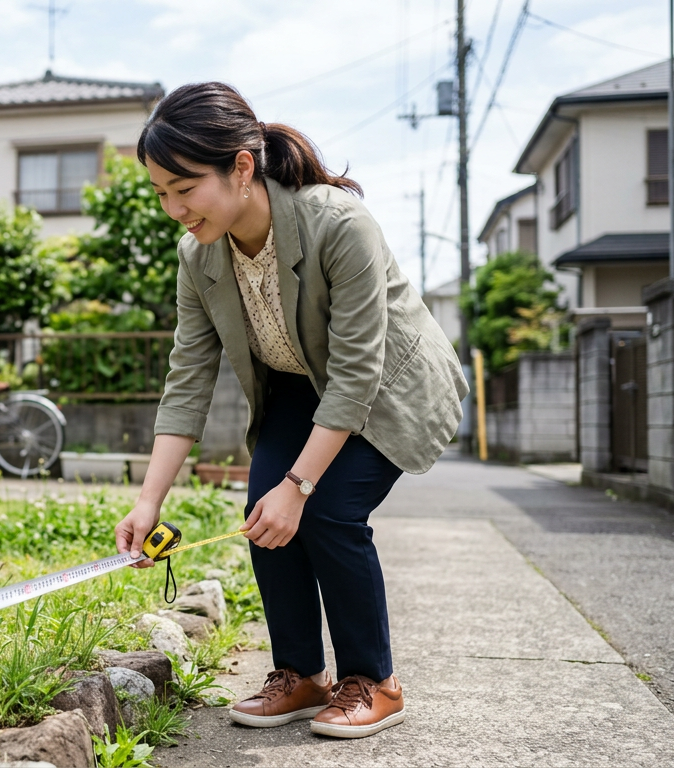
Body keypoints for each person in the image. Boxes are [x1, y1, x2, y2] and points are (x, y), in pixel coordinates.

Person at [114, 82, 468, 740]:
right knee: (264, 509)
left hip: (391, 385)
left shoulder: (338, 223)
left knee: (326, 509)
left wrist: (301, 485)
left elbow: (359, 369)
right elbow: (188, 376)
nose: (172, 209)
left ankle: (374, 681)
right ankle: (301, 674)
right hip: (301, 387)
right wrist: (148, 499)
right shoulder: (199, 254)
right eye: (160, 192)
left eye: (184, 189)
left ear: (241, 168)